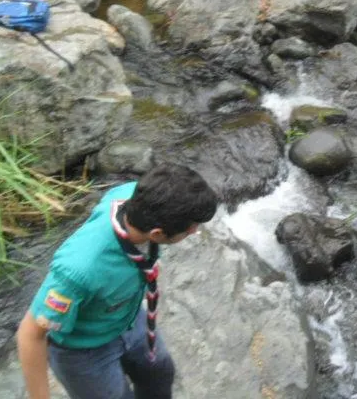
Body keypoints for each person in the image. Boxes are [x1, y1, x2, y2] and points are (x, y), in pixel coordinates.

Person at [16, 164, 219, 399]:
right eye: (189, 230)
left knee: (160, 374)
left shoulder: (134, 195)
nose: (194, 232)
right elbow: (30, 335)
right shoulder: (77, 272)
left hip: (129, 319)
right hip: (84, 350)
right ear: (156, 234)